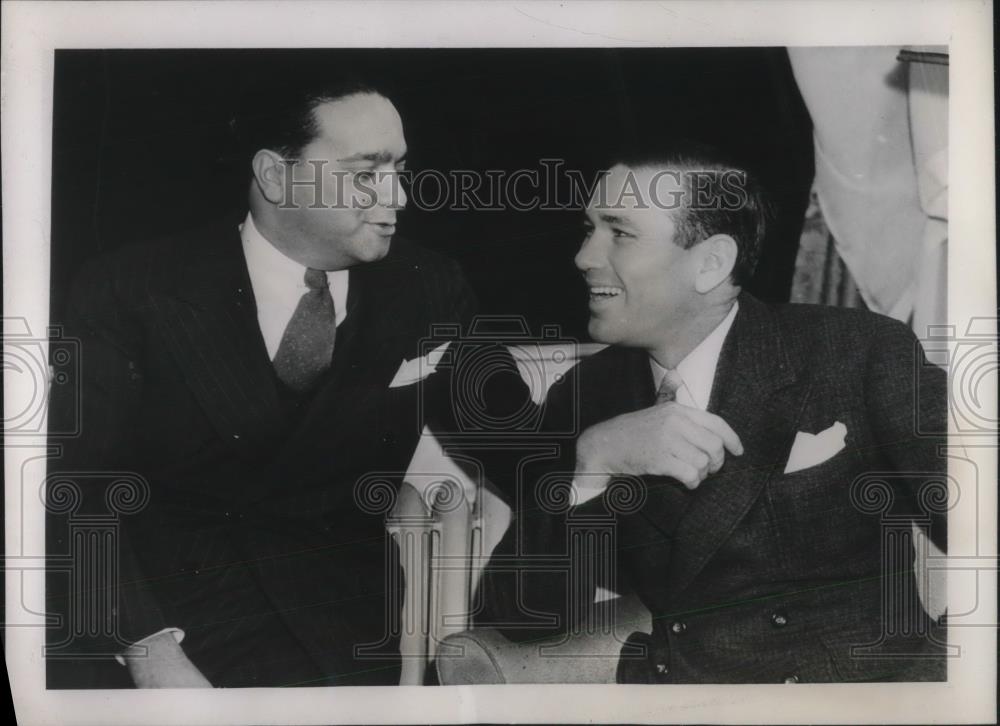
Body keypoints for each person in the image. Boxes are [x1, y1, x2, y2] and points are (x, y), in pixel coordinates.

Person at [46, 75, 514, 688]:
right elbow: (76, 489)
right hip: (162, 626)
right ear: (275, 176)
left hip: (343, 628)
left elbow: (512, 429)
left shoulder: (428, 284)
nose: (397, 196)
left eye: (401, 168)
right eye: (367, 173)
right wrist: (149, 652)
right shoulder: (130, 289)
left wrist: (607, 440)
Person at [478, 142, 949, 683]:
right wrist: (592, 463)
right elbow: (521, 617)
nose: (585, 256)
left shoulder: (857, 353)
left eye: (620, 232)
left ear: (710, 263)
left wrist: (931, 683)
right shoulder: (587, 394)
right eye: (589, 229)